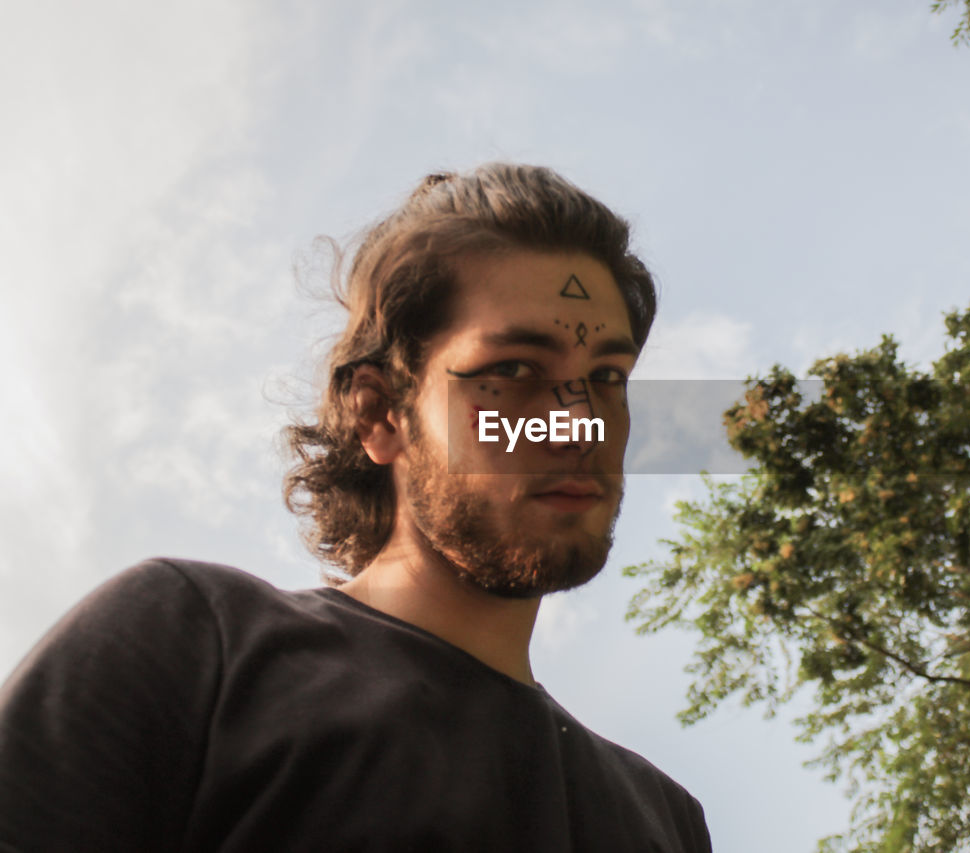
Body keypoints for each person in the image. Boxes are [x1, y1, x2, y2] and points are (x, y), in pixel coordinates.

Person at [0, 164, 713, 852]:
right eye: (513, 370)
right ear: (379, 412)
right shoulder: (194, 648)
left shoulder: (667, 819)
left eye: (607, 378)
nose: (576, 424)